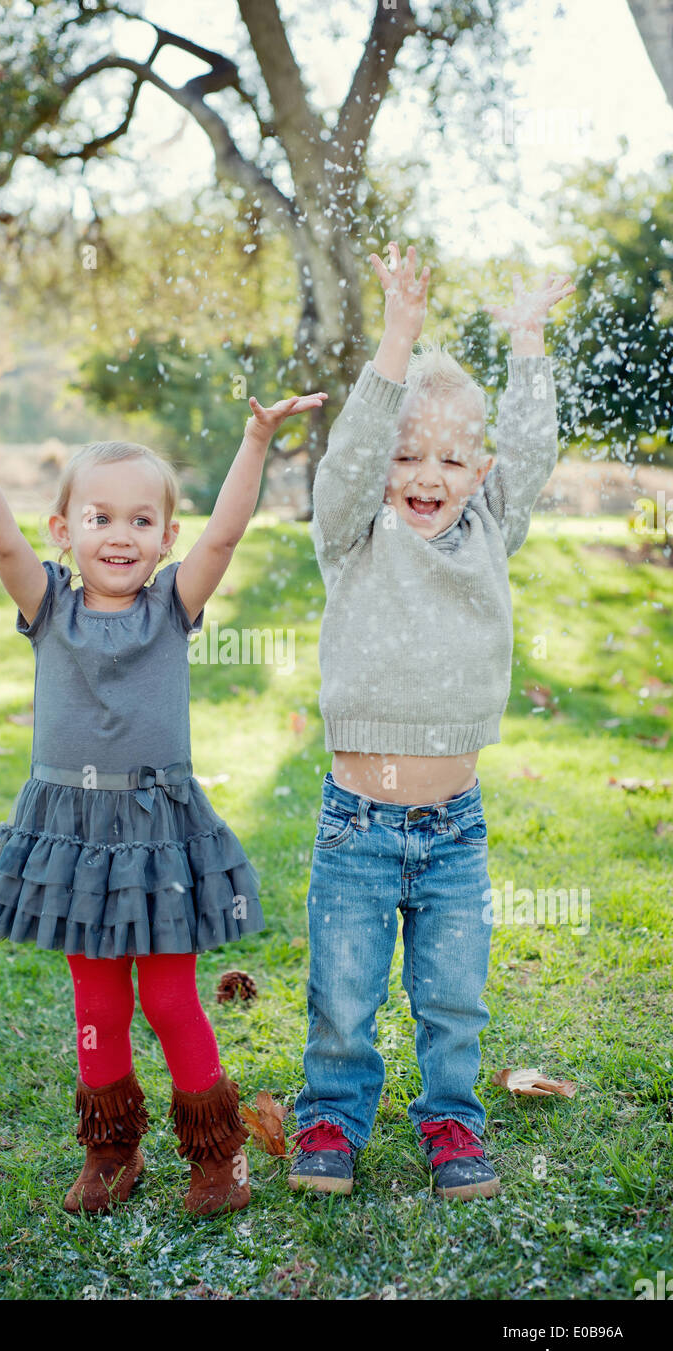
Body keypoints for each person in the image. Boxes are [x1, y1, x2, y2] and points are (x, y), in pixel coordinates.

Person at [0, 380, 326, 1217]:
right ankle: (112, 1148)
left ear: (165, 537)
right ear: (65, 529)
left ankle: (214, 1151)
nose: (120, 535)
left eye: (140, 520)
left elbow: (228, 535)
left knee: (167, 999)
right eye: (100, 517)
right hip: (73, 837)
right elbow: (1, 545)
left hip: (158, 832)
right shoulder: (49, 606)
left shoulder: (171, 607)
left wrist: (257, 442)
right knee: (96, 1002)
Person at [289, 242, 575, 1200]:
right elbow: (353, 453)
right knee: (345, 995)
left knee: (452, 999)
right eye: (408, 455)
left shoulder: (491, 525)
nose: (427, 473)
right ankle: (329, 1119)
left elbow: (533, 451)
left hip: (454, 827)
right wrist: (398, 338)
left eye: (453, 457)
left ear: (479, 468)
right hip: (355, 824)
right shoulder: (354, 530)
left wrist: (527, 338)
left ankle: (453, 1124)